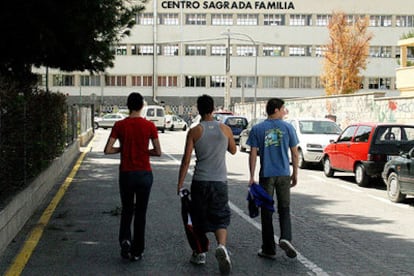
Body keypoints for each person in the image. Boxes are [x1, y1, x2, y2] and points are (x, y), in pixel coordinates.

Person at [177, 94, 237, 274]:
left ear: (198, 109)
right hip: (220, 181)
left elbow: (186, 160)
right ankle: (222, 247)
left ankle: (200, 253)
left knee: (198, 217)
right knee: (220, 216)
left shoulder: (194, 131)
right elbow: (233, 150)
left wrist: (180, 184)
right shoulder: (225, 129)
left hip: (200, 181)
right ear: (213, 109)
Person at [104, 92, 161, 261]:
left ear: (128, 106)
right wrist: (144, 151)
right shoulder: (149, 126)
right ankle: (137, 251)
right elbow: (158, 151)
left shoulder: (119, 125)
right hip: (144, 174)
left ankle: (125, 240)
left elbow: (108, 149)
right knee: (141, 213)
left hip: (127, 174)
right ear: (142, 106)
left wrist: (124, 149)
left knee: (127, 210)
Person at [246, 98, 299, 260]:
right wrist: (295, 173)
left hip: (266, 175)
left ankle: (268, 249)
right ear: (276, 110)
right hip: (283, 174)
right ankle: (285, 238)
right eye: (283, 108)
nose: (285, 112)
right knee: (284, 208)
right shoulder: (288, 128)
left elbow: (253, 153)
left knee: (267, 212)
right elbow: (295, 153)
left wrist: (251, 175)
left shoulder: (257, 129)